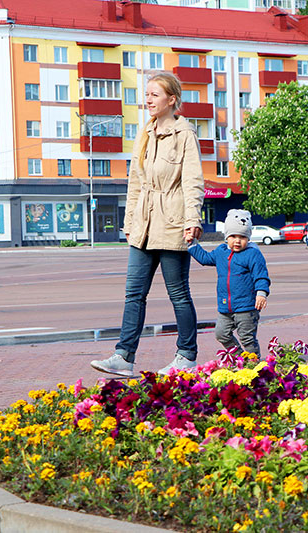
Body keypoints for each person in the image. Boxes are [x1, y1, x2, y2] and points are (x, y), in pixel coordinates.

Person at [90, 72, 205, 377]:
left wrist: (193, 219)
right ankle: (124, 356)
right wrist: (129, 221)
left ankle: (186, 356)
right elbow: (135, 183)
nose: (148, 100)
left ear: (172, 99)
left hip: (173, 222)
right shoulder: (145, 133)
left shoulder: (185, 135)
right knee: (133, 293)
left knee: (178, 293)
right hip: (143, 224)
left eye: (155, 95)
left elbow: (193, 181)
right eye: (147, 94)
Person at [188, 209, 270, 356]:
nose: (237, 241)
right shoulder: (221, 252)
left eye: (242, 237)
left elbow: (261, 276)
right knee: (221, 333)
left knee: (247, 339)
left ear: (248, 237)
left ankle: (255, 366)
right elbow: (205, 259)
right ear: (226, 237)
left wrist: (261, 294)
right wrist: (193, 245)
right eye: (233, 236)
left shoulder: (252, 254)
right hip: (225, 307)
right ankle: (240, 359)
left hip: (247, 307)